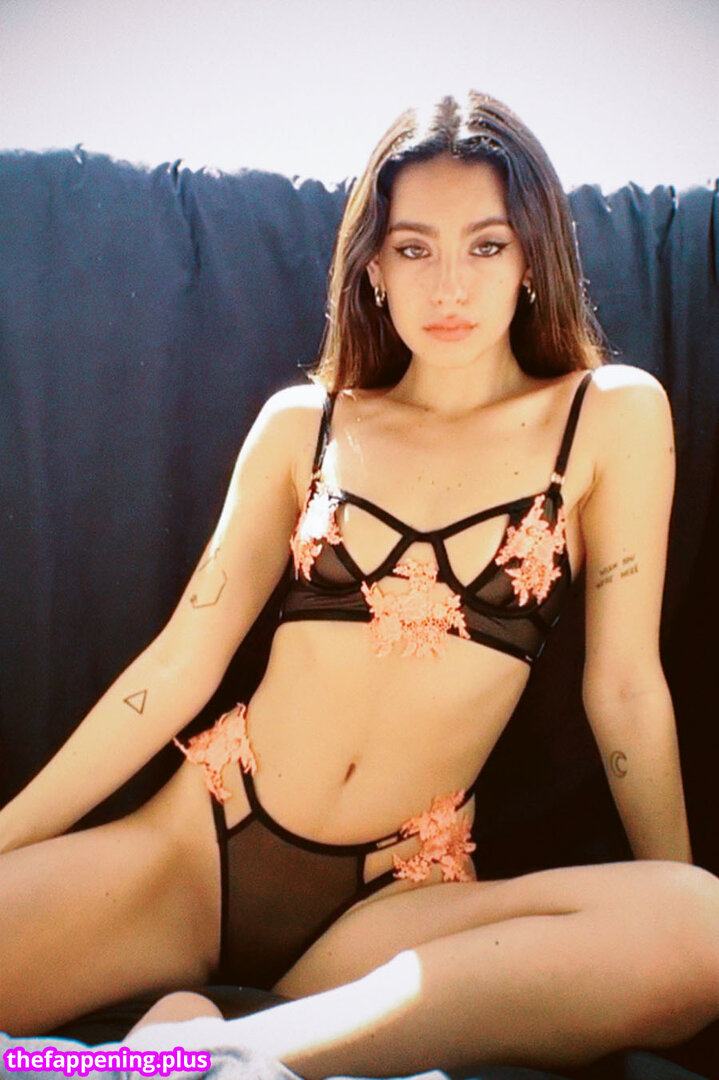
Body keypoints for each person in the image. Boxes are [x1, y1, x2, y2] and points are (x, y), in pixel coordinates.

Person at [0, 91, 717, 1077]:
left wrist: (665, 901)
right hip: (192, 852)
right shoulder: (306, 425)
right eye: (413, 248)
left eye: (486, 245)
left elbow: (624, 687)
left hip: (396, 902)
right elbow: (179, 664)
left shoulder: (607, 417)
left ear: (532, 258)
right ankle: (191, 1039)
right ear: (372, 266)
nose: (448, 285)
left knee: (702, 928)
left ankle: (201, 1050)